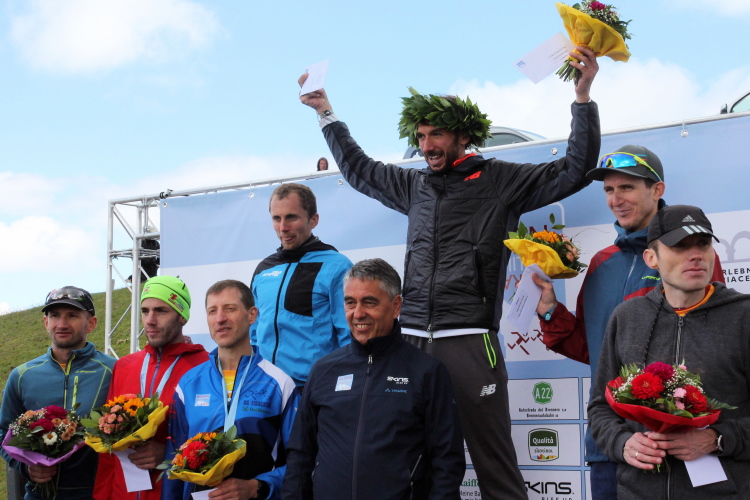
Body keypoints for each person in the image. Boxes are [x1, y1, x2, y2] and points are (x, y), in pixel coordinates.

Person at [298, 47, 601, 499]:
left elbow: (575, 169)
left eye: (436, 134)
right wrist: (326, 113)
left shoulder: (500, 179)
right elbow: (359, 169)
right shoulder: (413, 185)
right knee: (412, 460)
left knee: (493, 464)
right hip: (410, 341)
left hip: (470, 340)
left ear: (463, 135)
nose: (426, 146)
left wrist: (582, 97)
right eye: (421, 136)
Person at [532, 145, 725, 498]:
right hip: (610, 445)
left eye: (627, 187)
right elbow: (595, 351)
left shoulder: (691, 261)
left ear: (657, 190)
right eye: (609, 189)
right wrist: (549, 311)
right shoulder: (601, 263)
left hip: (673, 444)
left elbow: (713, 348)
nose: (616, 199)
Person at [588, 205, 750, 499]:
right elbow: (601, 407)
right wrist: (623, 443)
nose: (696, 254)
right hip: (637, 492)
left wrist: (717, 439)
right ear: (651, 258)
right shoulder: (627, 317)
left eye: (703, 243)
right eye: (680, 246)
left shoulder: (743, 316)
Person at [282, 259, 465, 499]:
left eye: (369, 302)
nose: (358, 314)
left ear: (396, 306)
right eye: (350, 302)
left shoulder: (427, 371)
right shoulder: (323, 370)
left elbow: (447, 461)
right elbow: (300, 454)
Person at [164, 279, 299, 500]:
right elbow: (173, 459)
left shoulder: (279, 383)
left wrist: (257, 487)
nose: (220, 318)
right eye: (212, 311)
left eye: (230, 309)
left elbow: (300, 461)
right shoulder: (188, 385)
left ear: (252, 315)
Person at [93, 275, 209, 500]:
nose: (150, 320)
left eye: (161, 311)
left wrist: (168, 454)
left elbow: (212, 441)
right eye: (145, 311)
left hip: (172, 492)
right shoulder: (124, 366)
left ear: (182, 316)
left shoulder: (205, 366)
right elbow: (107, 447)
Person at [0, 286, 115, 500]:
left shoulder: (113, 370)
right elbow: (3, 433)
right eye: (54, 315)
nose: (62, 324)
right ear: (46, 322)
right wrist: (27, 468)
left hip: (97, 493)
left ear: (91, 323)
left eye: (72, 315)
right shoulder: (22, 375)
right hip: (39, 495)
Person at [251, 183, 352, 388]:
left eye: (291, 217)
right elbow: (253, 334)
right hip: (266, 389)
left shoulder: (337, 266)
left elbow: (349, 336)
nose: (283, 227)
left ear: (313, 220)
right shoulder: (263, 269)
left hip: (314, 388)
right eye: (276, 218)